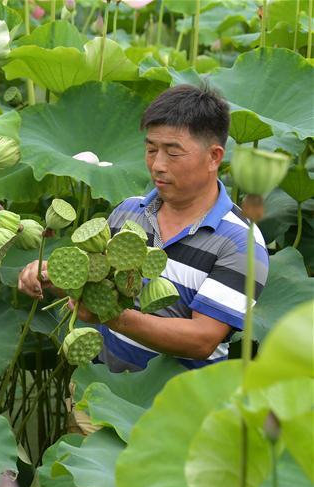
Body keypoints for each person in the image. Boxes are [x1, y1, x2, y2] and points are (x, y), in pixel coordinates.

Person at [18, 84, 268, 372]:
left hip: (179, 409)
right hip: (102, 394)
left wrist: (113, 318)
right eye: (151, 149)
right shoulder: (128, 212)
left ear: (213, 156)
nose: (158, 165)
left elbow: (202, 340)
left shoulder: (241, 243)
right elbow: (97, 287)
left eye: (173, 153)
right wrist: (54, 278)